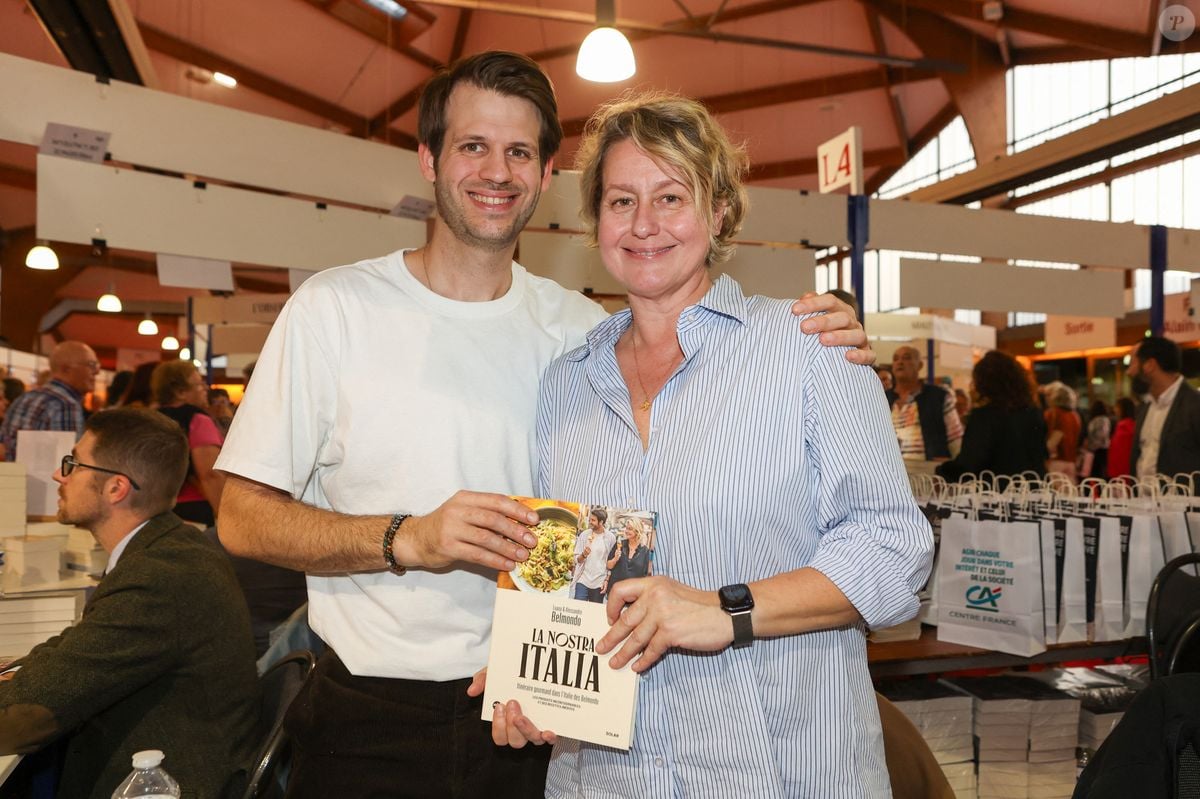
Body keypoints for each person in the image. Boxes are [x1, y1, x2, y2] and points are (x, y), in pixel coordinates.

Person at [213, 51, 874, 797]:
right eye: (473, 146)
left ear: (545, 172)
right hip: (376, 715)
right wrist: (407, 537)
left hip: (547, 712)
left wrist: (818, 339)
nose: (497, 171)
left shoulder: (579, 335)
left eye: (519, 151)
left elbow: (616, 536)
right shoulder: (334, 311)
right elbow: (239, 518)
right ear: (429, 158)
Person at [514, 91, 931, 796]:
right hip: (613, 777)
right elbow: (569, 588)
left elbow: (893, 554)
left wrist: (723, 608)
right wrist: (536, 686)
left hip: (782, 771)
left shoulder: (807, 349)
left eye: (671, 197)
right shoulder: (566, 386)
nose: (644, 224)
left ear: (718, 212)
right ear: (596, 221)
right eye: (621, 201)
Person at [0, 408, 259, 799]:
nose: (59, 475)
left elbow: (34, 713)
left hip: (166, 781)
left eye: (72, 465)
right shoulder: (170, 546)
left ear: (116, 489)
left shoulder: (158, 576)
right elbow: (82, 644)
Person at [935, 350, 1046, 485]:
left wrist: (941, 470)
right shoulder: (1034, 412)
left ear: (984, 383)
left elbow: (969, 464)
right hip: (1034, 491)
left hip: (997, 495)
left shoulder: (983, 416)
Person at [152, 360, 225, 525]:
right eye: (199, 384)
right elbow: (210, 474)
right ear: (180, 392)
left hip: (155, 508)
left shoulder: (151, 419)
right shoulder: (197, 420)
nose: (206, 388)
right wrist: (228, 518)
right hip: (194, 507)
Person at [0, 341, 98, 461]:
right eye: (91, 364)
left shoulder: (24, 398)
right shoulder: (64, 404)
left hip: (13, 478)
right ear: (66, 369)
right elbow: (67, 464)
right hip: (44, 480)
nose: (97, 371)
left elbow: (5, 448)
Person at [1129, 336, 1200, 479]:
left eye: (1133, 363)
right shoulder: (1145, 407)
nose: (1129, 372)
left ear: (1150, 365)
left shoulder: (1194, 405)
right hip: (1143, 499)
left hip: (1184, 499)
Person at [888, 345, 963, 460]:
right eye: (896, 359)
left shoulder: (938, 396)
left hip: (929, 473)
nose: (900, 362)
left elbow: (956, 441)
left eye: (907, 358)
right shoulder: (883, 398)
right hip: (891, 471)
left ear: (920, 365)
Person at [571, 507, 615, 603]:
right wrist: (583, 555)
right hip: (582, 579)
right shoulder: (584, 535)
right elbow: (576, 559)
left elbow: (610, 563)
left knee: (593, 614)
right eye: (590, 519)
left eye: (593, 520)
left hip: (599, 582)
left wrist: (606, 580)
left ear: (601, 522)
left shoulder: (610, 538)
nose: (590, 522)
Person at [602, 516, 652, 598]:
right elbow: (608, 566)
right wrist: (615, 559)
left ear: (637, 531)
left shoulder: (645, 551)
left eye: (630, 529)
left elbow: (645, 575)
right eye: (626, 528)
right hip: (616, 592)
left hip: (633, 595)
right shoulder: (619, 545)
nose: (626, 531)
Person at [1044, 381, 1082, 480]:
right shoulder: (1075, 415)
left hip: (1056, 461)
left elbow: (1053, 440)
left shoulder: (1054, 413)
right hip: (1071, 460)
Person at [1107, 397, 1138, 480]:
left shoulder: (1124, 426)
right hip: (1128, 471)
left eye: (1117, 407)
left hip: (1121, 472)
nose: (1115, 410)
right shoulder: (1132, 424)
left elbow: (1119, 453)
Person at [1083, 399, 1113, 479]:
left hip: (1097, 449)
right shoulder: (1104, 419)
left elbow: (1101, 435)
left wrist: (1090, 445)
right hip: (1102, 449)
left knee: (1096, 474)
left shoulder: (1099, 420)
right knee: (1098, 474)